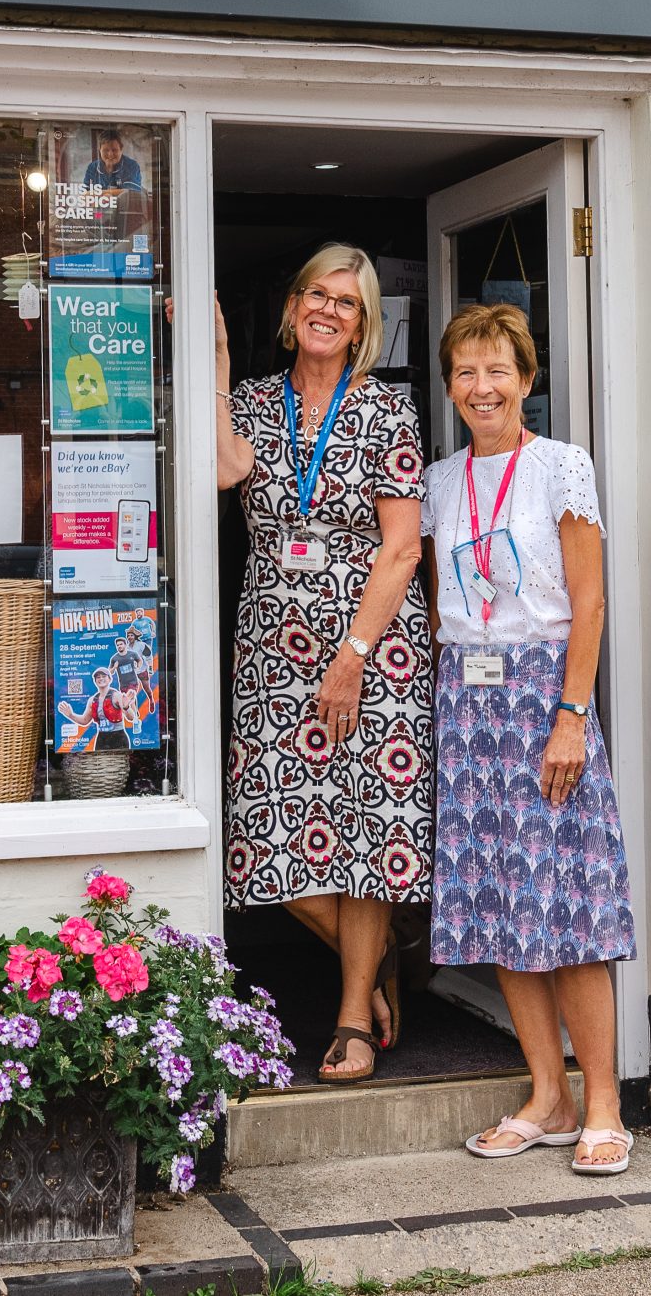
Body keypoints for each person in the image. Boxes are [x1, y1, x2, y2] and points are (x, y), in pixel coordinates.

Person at [424, 302, 637, 1175]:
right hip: (468, 702)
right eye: (466, 371)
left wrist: (571, 716)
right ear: (450, 385)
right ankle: (549, 1097)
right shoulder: (440, 481)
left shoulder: (560, 467)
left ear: (526, 378)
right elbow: (440, 596)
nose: (482, 387)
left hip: (544, 697)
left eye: (497, 370)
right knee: (499, 904)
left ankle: (604, 1104)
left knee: (570, 906)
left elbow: (589, 602)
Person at [215, 244, 433, 1085]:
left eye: (346, 301)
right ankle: (377, 961)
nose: (327, 310)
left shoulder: (387, 411)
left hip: (371, 646)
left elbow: (403, 548)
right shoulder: (252, 401)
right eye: (316, 293)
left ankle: (352, 1021)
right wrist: (218, 354)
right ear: (292, 306)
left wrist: (353, 656)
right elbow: (226, 468)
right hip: (273, 647)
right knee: (261, 838)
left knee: (364, 832)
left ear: (363, 322)